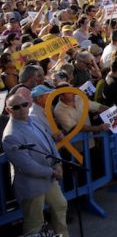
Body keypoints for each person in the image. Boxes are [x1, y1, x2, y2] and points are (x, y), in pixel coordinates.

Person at [2, 93, 69, 237]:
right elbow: (26, 166)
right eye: (16, 107)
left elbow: (50, 143)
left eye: (24, 104)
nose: (22, 109)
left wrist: (58, 163)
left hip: (49, 178)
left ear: (29, 104)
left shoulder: (35, 119)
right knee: (34, 225)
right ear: (8, 110)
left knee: (60, 206)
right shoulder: (10, 135)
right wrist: (52, 172)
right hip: (31, 185)